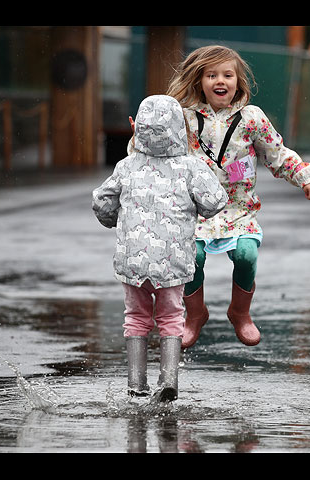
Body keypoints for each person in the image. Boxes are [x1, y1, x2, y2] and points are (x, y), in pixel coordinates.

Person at [165, 45, 310, 349]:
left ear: (237, 81)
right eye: (211, 75)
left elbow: (277, 154)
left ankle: (240, 313)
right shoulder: (183, 117)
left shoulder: (251, 118)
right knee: (191, 257)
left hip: (238, 209)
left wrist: (304, 175)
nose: (220, 80)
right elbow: (154, 147)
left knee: (247, 255)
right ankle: (194, 315)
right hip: (195, 210)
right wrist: (142, 135)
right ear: (199, 80)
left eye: (227, 74)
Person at [92, 95, 228, 401]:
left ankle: (135, 384)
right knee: (171, 317)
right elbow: (215, 201)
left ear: (137, 128)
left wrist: (115, 221)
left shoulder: (127, 166)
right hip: (173, 261)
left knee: (136, 317)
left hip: (133, 260)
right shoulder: (191, 167)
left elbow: (101, 201)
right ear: (180, 128)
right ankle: (169, 381)